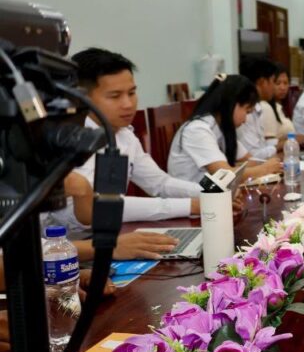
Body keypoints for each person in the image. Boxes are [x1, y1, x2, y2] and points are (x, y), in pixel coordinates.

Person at [53, 48, 202, 233]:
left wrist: (209, 192)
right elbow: (101, 207)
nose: (128, 104)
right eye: (115, 96)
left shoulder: (124, 135)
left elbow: (160, 183)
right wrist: (190, 206)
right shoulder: (67, 140)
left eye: (131, 93)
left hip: (105, 235)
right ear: (82, 99)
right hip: (63, 243)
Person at [167, 74, 282, 184]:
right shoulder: (197, 130)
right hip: (191, 194)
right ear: (231, 103)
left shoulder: (222, 127)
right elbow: (224, 175)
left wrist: (270, 164)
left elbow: (249, 161)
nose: (245, 119)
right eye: (246, 111)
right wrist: (264, 169)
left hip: (210, 191)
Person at [237, 55, 285, 160]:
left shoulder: (257, 107)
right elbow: (252, 155)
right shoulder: (243, 112)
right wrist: (280, 148)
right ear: (262, 82)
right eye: (273, 81)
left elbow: (261, 145)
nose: (274, 87)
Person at [260, 64, 296, 140]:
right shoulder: (266, 107)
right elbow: (270, 142)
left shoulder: (286, 106)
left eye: (285, 83)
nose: (282, 88)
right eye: (278, 83)